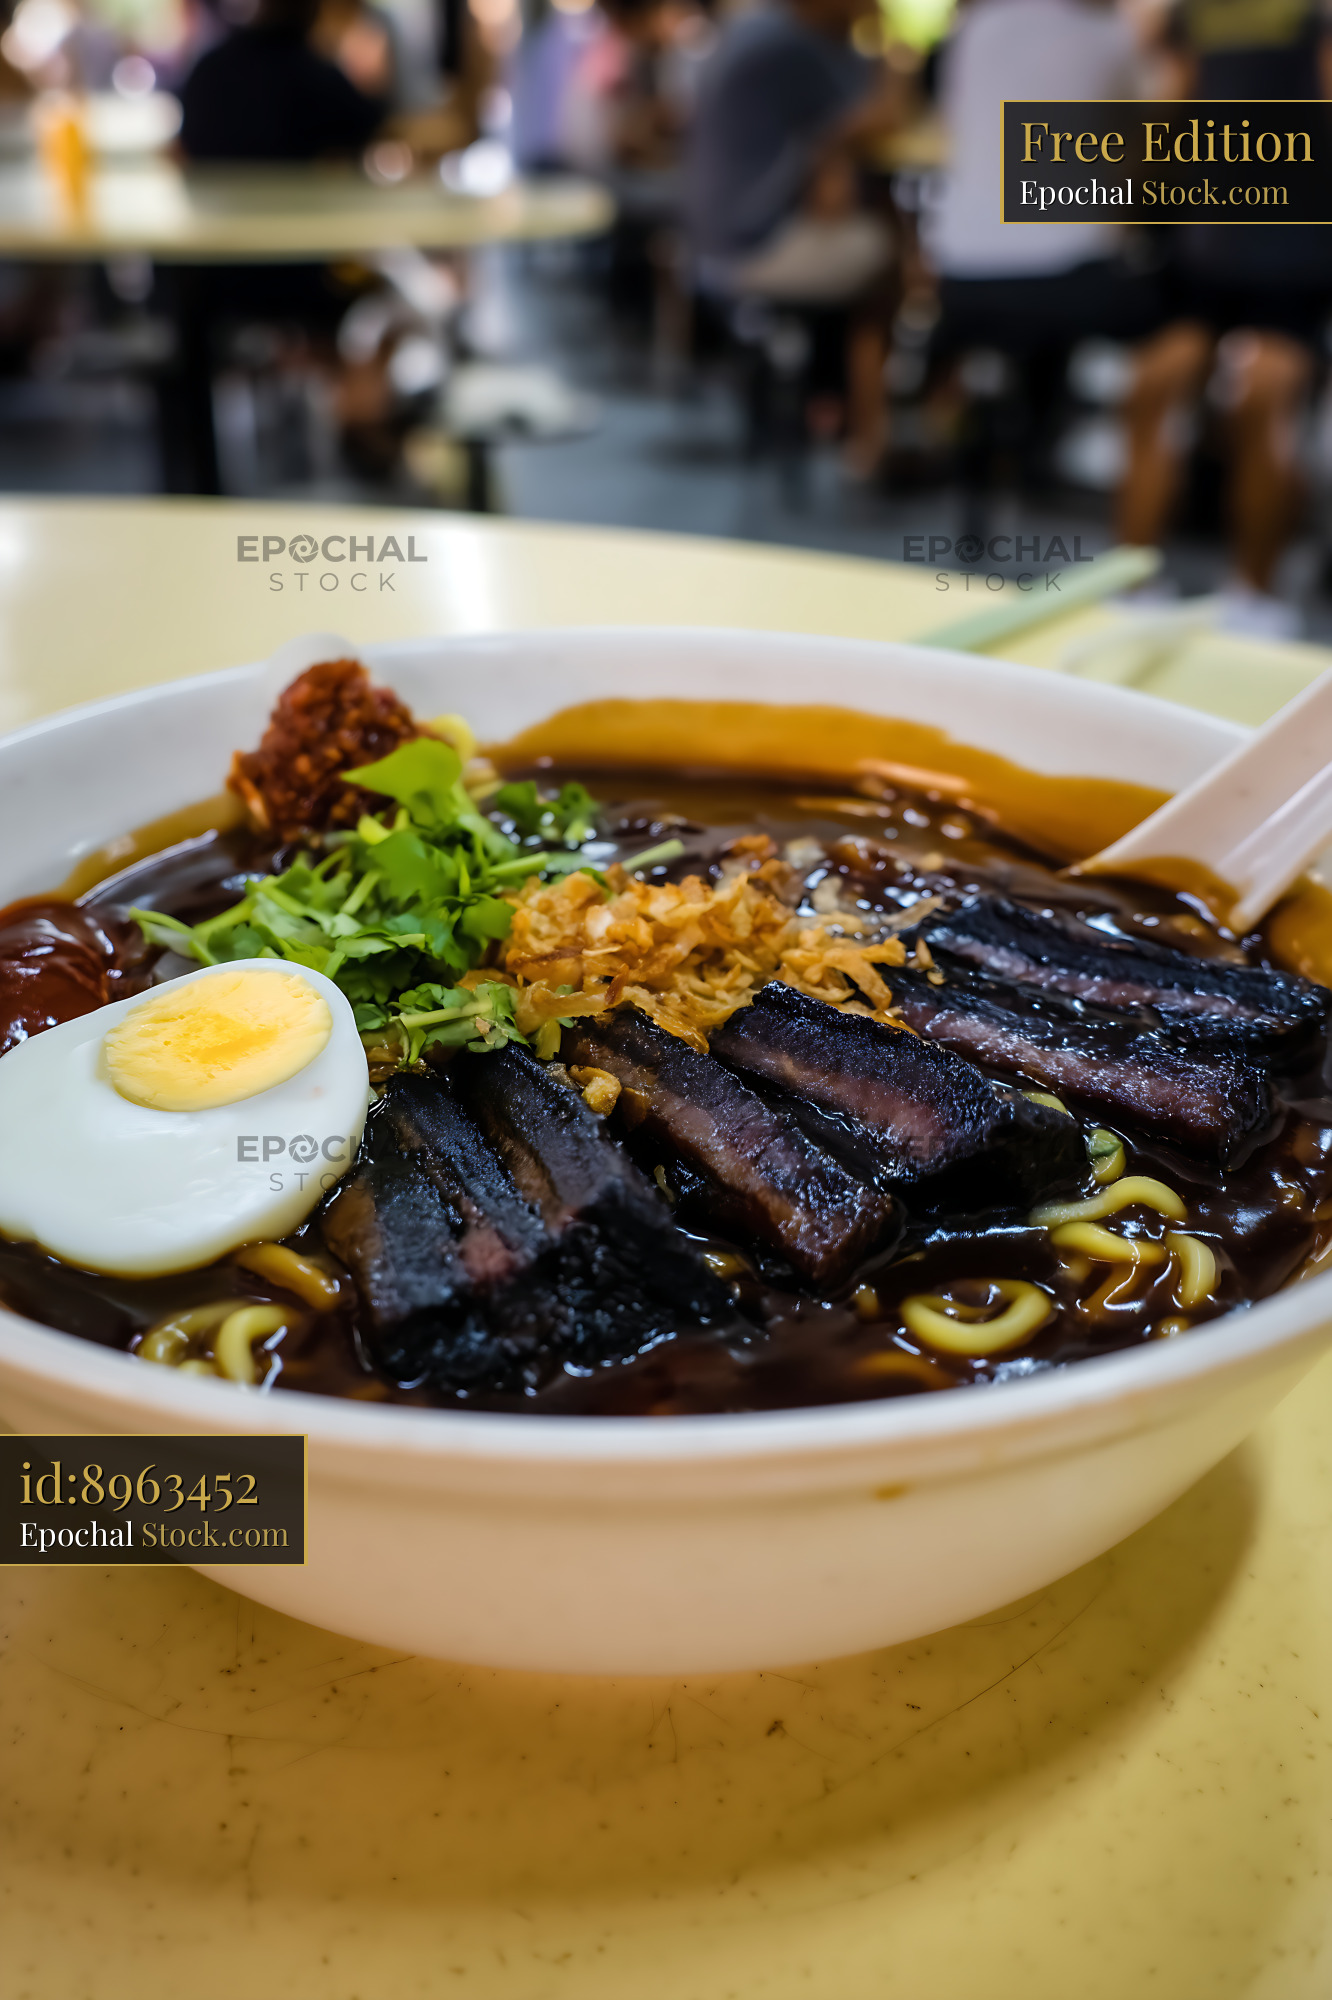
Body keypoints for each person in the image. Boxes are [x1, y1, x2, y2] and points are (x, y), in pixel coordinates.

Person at [1115, 0, 1332, 632]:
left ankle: (1254, 596)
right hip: (1201, 251)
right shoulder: (1188, 16)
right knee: (1153, 386)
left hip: (1292, 258)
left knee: (1263, 396)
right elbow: (1170, 100)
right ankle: (1132, 581)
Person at [687, 0, 902, 475]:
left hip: (718, 237)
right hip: (753, 243)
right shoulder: (794, 46)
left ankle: (842, 406)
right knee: (891, 257)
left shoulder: (757, 28)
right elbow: (880, 116)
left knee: (873, 236)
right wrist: (893, 47)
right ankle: (871, 436)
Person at [179, 0, 385, 160]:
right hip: (296, 210)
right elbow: (371, 131)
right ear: (310, 11)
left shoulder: (210, 68)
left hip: (213, 210)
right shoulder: (315, 75)